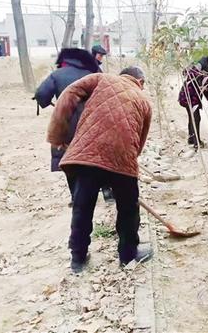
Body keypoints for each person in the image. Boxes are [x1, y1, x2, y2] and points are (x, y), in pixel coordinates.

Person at [47, 66, 152, 272]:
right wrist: (125, 163)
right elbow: (140, 142)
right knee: (128, 208)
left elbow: (69, 93)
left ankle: (78, 259)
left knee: (82, 207)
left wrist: (57, 136)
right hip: (122, 158)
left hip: (87, 154)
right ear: (141, 82)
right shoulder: (144, 101)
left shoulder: (101, 79)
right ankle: (128, 255)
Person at [34, 48, 112, 204]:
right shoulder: (94, 73)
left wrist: (48, 102)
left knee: (69, 159)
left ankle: (76, 196)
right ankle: (107, 192)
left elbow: (41, 95)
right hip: (93, 122)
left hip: (67, 124)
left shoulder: (57, 75)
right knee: (100, 156)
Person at [178, 55, 208, 149]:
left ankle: (191, 138)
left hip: (186, 97)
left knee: (192, 117)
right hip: (191, 98)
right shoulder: (199, 71)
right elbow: (205, 89)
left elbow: (205, 89)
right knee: (196, 118)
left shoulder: (200, 71)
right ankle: (197, 142)